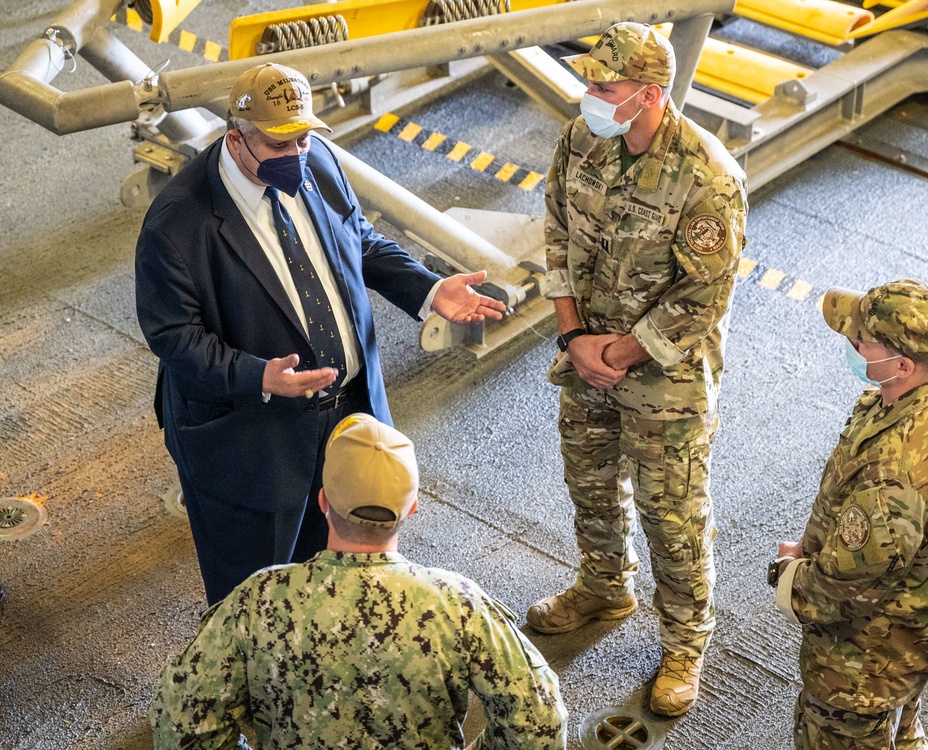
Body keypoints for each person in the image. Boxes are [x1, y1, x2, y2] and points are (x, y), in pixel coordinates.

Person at [135, 63, 505, 605]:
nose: (296, 156)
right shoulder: (177, 223)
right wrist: (258, 376)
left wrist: (427, 291)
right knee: (254, 593)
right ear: (235, 139)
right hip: (254, 436)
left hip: (349, 416)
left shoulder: (319, 163)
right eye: (279, 145)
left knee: (344, 578)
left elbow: (358, 239)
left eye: (304, 139)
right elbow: (174, 336)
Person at [527, 22, 748, 717]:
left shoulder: (707, 176)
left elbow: (704, 297)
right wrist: (573, 339)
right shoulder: (580, 139)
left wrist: (616, 353)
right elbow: (557, 232)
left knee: (671, 512)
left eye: (604, 86)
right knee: (588, 479)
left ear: (649, 95)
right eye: (588, 82)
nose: (587, 94)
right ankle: (603, 583)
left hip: (664, 375)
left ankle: (684, 641)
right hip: (585, 354)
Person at [150, 413, 568, 750]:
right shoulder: (456, 605)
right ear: (414, 508)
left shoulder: (259, 600)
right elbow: (541, 721)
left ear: (323, 501)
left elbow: (180, 720)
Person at [771, 279, 928, 750]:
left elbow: (841, 592)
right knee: (900, 720)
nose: (851, 343)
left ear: (903, 363)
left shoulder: (896, 477)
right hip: (913, 632)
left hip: (863, 664)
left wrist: (788, 573)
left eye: (862, 341)